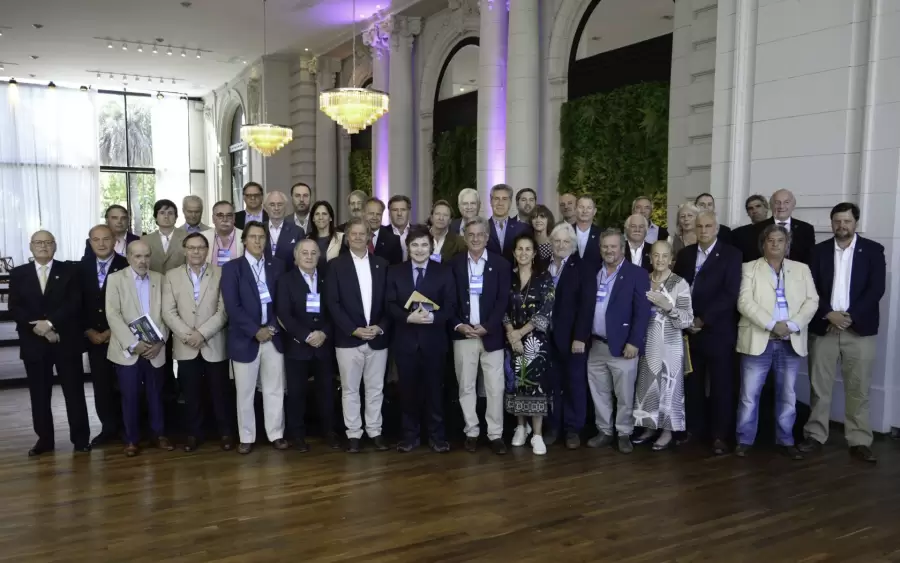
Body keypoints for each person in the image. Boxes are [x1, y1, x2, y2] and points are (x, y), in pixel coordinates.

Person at [800, 202, 885, 463]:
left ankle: (859, 440)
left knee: (858, 388)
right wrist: (829, 313)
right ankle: (815, 435)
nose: (841, 226)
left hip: (859, 330)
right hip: (824, 327)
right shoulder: (818, 251)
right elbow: (809, 288)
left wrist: (850, 317)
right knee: (819, 387)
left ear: (855, 222)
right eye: (837, 221)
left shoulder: (873, 250)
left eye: (847, 221)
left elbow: (876, 289)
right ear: (831, 223)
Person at [735, 224, 818, 459]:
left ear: (787, 244)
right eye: (770, 240)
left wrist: (792, 325)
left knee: (787, 394)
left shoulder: (801, 269)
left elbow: (812, 301)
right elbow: (744, 302)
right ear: (763, 244)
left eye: (780, 240)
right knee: (749, 395)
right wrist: (772, 325)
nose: (775, 244)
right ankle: (744, 439)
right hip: (758, 338)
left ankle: (785, 439)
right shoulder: (749, 268)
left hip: (790, 340)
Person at [9, 230, 91, 456]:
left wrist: (51, 324)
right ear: (30, 246)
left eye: (48, 242)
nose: (43, 246)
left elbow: (75, 302)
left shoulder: (70, 271)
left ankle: (81, 440)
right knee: (39, 395)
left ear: (55, 246)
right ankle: (44, 440)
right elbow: (15, 307)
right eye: (38, 242)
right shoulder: (18, 273)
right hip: (34, 343)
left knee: (74, 393)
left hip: (66, 342)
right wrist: (40, 329)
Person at [672, 211, 741, 455]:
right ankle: (694, 430)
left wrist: (703, 319)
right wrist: (684, 319)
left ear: (716, 228)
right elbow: (676, 287)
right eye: (699, 226)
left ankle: (720, 436)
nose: (703, 230)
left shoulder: (731, 255)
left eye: (708, 226)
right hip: (689, 331)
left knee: (721, 386)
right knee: (693, 384)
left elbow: (730, 294)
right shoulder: (686, 254)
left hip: (717, 331)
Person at [386, 226, 456, 453]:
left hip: (434, 342)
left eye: (424, 245)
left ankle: (437, 437)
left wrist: (433, 318)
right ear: (408, 247)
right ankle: (409, 437)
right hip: (405, 342)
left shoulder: (444, 271)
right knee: (407, 392)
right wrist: (408, 317)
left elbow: (451, 305)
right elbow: (389, 304)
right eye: (415, 245)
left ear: (432, 247)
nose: (419, 249)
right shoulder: (395, 271)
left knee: (435, 392)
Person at [221, 221, 288, 454]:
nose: (258, 241)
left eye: (261, 237)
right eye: (253, 237)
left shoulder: (277, 266)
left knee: (274, 389)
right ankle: (247, 436)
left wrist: (271, 328)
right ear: (244, 241)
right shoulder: (232, 268)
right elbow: (232, 306)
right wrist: (255, 330)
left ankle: (276, 434)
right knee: (245, 392)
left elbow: (283, 302)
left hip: (273, 337)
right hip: (244, 339)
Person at [162, 233, 233, 452]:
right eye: (191, 248)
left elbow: (224, 310)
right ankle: (194, 434)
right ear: (184, 250)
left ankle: (226, 433)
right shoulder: (171, 276)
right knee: (190, 394)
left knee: (220, 393)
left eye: (200, 247)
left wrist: (202, 334)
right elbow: (168, 311)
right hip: (186, 345)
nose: (196, 252)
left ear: (207, 250)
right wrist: (188, 335)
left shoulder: (221, 273)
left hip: (214, 342)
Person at [326, 218, 392, 453]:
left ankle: (375, 431)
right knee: (350, 389)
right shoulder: (335, 265)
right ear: (346, 237)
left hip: (377, 337)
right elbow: (332, 303)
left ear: (369, 237)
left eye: (362, 233)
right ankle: (353, 433)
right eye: (352, 234)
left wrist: (380, 327)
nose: (357, 237)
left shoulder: (382, 264)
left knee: (375, 388)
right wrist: (353, 329)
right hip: (348, 338)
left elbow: (390, 302)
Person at [584, 229, 652, 454]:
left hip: (623, 346)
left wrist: (634, 342)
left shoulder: (637, 274)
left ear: (622, 248)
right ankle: (604, 431)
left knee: (624, 394)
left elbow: (642, 312)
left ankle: (624, 433)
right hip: (595, 344)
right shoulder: (594, 272)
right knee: (599, 392)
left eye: (613, 246)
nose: (609, 250)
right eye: (605, 246)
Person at [450, 216, 512, 455]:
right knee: (466, 386)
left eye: (480, 235)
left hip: (491, 335)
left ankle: (495, 434)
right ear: (465, 237)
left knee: (495, 387)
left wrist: (489, 326)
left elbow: (502, 300)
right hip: (464, 335)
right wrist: (458, 325)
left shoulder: (501, 264)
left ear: (487, 237)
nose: (475, 239)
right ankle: (472, 431)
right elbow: (449, 300)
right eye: (471, 235)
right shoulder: (454, 264)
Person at [105, 240, 173, 457]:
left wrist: (160, 341)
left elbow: (167, 313)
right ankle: (131, 439)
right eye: (137, 256)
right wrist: (134, 344)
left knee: (156, 395)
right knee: (130, 396)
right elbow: (113, 315)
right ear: (128, 258)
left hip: (155, 349)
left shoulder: (160, 279)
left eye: (146, 256)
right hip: (128, 351)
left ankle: (158, 434)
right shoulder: (116, 279)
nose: (143, 261)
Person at [276, 239, 340, 452]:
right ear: (296, 257)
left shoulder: (327, 279)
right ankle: (297, 435)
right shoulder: (285, 280)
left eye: (313, 253)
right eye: (305, 253)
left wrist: (324, 333)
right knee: (296, 394)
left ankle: (329, 432)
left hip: (323, 345)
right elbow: (284, 313)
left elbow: (335, 310)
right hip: (297, 347)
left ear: (319, 256)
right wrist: (305, 335)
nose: (309, 257)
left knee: (327, 393)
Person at [632, 240, 694, 451]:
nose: (660, 260)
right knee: (647, 385)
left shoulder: (679, 283)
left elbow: (687, 320)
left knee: (669, 388)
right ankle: (649, 427)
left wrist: (668, 307)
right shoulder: (643, 279)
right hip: (647, 342)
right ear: (650, 257)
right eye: (656, 255)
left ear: (671, 259)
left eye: (664, 256)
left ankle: (667, 431)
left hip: (670, 344)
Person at [504, 233, 556, 456]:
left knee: (536, 386)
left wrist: (520, 333)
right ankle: (520, 427)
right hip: (512, 340)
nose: (523, 253)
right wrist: (512, 334)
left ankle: (537, 434)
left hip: (536, 341)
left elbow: (546, 309)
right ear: (514, 252)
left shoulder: (544, 277)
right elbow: (501, 307)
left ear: (534, 253)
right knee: (517, 383)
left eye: (528, 249)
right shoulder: (508, 277)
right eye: (519, 249)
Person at [80, 225, 128, 446]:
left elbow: (133, 304)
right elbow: (75, 303)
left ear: (115, 241)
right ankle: (108, 428)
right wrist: (88, 330)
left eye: (106, 239)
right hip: (93, 337)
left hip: (121, 336)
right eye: (96, 239)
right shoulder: (80, 268)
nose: (101, 243)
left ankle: (128, 428)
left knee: (125, 385)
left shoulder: (126, 264)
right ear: (90, 242)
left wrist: (113, 331)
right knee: (101, 386)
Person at [546, 222, 593, 449]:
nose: (561, 245)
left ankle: (573, 429)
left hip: (573, 338)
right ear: (551, 243)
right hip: (547, 337)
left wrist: (580, 337)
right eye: (557, 241)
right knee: (552, 384)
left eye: (566, 241)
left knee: (574, 384)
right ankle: (553, 427)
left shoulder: (582, 267)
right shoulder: (544, 265)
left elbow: (587, 305)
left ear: (573, 244)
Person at [748, 189, 815, 265]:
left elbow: (810, 258)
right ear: (771, 206)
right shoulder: (757, 228)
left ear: (793, 205)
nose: (781, 206)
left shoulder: (806, 229)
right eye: (777, 202)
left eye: (786, 202)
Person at [487, 184, 532, 264]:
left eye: (504, 199)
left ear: (510, 202)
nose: (500, 203)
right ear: (490, 201)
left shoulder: (523, 228)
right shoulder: (482, 228)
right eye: (496, 198)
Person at [142, 199, 187, 274]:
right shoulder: (145, 240)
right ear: (155, 217)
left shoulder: (187, 237)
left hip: (180, 279)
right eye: (162, 213)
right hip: (153, 280)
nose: (166, 216)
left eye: (170, 213)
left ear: (176, 217)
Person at [262, 191, 302, 271]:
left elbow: (301, 260)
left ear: (285, 207)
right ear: (265, 208)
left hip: (288, 276)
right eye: (272, 205)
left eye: (280, 204)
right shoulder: (259, 229)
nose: (276, 208)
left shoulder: (297, 231)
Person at [202, 201, 244, 267]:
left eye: (229, 215)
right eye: (220, 215)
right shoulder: (203, 237)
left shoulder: (245, 236)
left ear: (234, 218)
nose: (225, 219)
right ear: (213, 219)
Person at [732, 194, 771, 262]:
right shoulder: (738, 234)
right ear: (748, 213)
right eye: (750, 208)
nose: (754, 211)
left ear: (766, 208)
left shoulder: (778, 229)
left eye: (758, 206)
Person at [366, 197, 403, 265]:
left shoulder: (393, 240)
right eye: (371, 213)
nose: (375, 217)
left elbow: (397, 268)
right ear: (363, 214)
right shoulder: (353, 236)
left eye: (378, 214)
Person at [574, 195, 603, 266]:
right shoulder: (566, 232)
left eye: (589, 208)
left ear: (594, 211)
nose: (585, 211)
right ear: (575, 209)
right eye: (581, 207)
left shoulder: (602, 234)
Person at [530, 204, 555, 268]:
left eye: (542, 217)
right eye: (534, 217)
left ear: (548, 220)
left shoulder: (554, 245)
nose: (538, 220)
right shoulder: (528, 243)